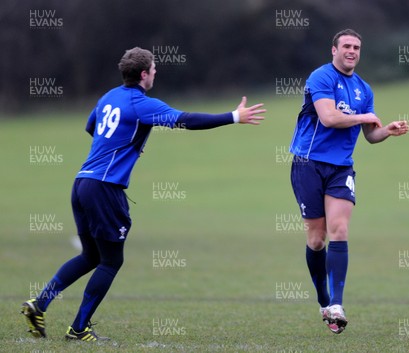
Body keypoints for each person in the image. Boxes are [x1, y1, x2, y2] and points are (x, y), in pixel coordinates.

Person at [21, 47, 266, 341]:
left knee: (90, 256)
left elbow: (91, 127)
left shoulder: (108, 97)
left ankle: (40, 303)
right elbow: (185, 119)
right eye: (153, 69)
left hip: (82, 182)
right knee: (111, 261)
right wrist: (234, 117)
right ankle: (79, 328)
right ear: (143, 74)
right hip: (104, 189)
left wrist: (121, 143)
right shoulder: (140, 104)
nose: (155, 73)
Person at [289, 29, 409, 334]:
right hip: (308, 163)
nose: (352, 51)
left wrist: (387, 130)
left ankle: (338, 305)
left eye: (356, 47)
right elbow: (328, 118)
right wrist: (364, 117)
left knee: (339, 229)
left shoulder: (363, 89)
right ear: (334, 50)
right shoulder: (321, 77)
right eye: (346, 46)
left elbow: (371, 136)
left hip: (341, 169)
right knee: (317, 239)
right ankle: (324, 301)